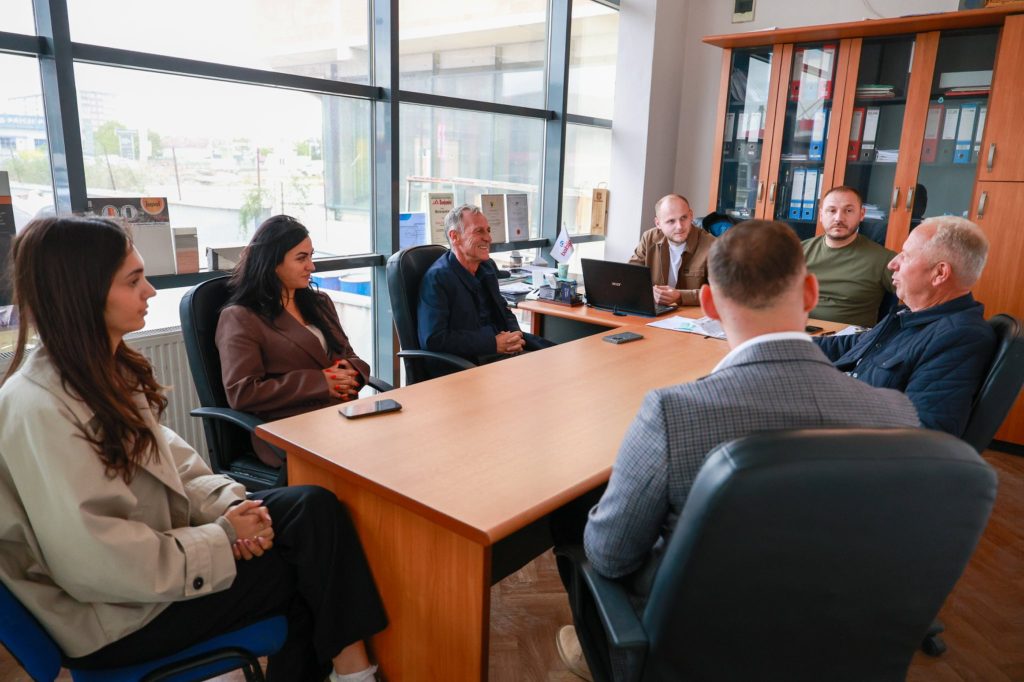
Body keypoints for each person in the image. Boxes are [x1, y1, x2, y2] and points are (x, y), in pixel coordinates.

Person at [0, 216, 387, 682]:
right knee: (308, 572)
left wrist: (235, 508)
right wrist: (222, 536)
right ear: (81, 293)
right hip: (115, 616)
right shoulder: (39, 407)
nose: (150, 291)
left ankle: (352, 673)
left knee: (312, 508)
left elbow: (176, 465)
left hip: (150, 571)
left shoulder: (104, 371)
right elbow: (98, 563)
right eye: (134, 281)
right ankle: (356, 674)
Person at [556, 220, 919, 682]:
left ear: (708, 303)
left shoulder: (673, 413)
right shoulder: (897, 414)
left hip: (694, 649)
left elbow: (611, 556)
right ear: (810, 293)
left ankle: (597, 648)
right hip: (835, 644)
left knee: (578, 517)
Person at [815, 215, 996, 437]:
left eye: (906, 255)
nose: (893, 264)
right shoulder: (911, 314)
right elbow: (853, 345)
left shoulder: (959, 337)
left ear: (939, 273)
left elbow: (923, 433)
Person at [217, 215, 370, 468]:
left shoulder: (320, 304)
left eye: (311, 256)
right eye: (301, 258)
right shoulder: (241, 317)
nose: (312, 266)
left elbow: (349, 355)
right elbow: (242, 393)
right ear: (272, 263)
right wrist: (321, 383)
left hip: (339, 416)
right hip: (288, 429)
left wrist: (350, 372)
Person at [417, 203, 554, 364]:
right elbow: (433, 339)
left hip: (503, 350)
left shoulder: (486, 267)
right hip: (470, 361)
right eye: (479, 231)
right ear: (454, 237)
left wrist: (514, 336)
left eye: (488, 231)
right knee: (548, 369)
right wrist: (492, 343)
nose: (488, 238)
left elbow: (503, 310)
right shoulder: (437, 279)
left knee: (559, 355)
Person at [803, 185, 896, 327]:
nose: (839, 218)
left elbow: (922, 298)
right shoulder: (797, 253)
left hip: (848, 339)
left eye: (848, 210)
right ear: (821, 215)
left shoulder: (884, 259)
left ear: (862, 214)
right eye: (832, 210)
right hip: (797, 334)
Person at [629, 193, 715, 307]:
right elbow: (630, 276)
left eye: (684, 218)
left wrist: (680, 296)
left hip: (692, 314)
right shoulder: (649, 238)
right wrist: (649, 292)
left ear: (691, 215)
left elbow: (722, 293)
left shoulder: (713, 245)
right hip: (657, 310)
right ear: (658, 223)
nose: (679, 226)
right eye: (671, 221)